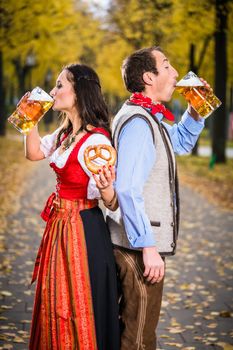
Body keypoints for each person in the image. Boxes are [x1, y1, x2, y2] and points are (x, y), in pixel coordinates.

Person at [105, 46, 206, 349]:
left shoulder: (148, 116)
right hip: (136, 249)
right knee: (139, 338)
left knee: (134, 331)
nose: (175, 73)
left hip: (135, 245)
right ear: (149, 76)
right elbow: (126, 188)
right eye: (167, 65)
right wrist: (148, 246)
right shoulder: (139, 122)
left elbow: (181, 141)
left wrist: (196, 109)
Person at [25, 64, 120, 350]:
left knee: (78, 304)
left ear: (78, 92)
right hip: (58, 227)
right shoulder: (65, 134)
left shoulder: (97, 141)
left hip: (83, 229)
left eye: (59, 85)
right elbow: (33, 153)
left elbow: (111, 201)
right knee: (54, 298)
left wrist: (105, 187)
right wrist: (30, 119)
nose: (53, 92)